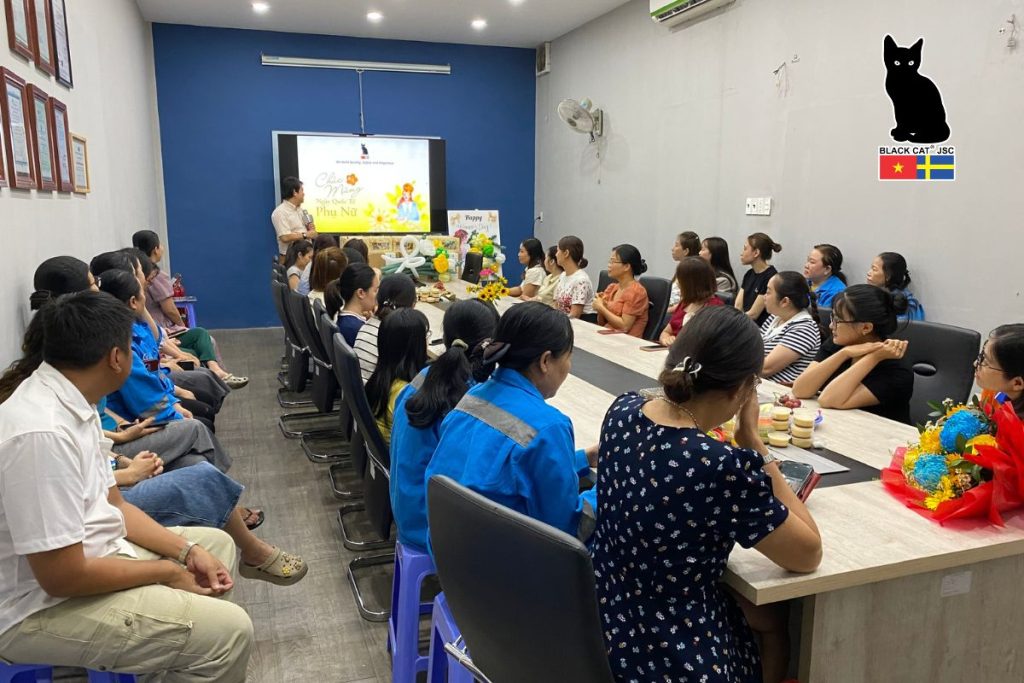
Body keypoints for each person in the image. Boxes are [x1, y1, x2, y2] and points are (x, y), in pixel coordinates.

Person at [0, 291, 253, 680]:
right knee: (230, 633)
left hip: (90, 557)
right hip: (36, 608)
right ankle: (186, 644)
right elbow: (63, 577)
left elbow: (114, 505)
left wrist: (186, 553)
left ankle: (167, 654)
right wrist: (166, 573)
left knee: (213, 546)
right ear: (116, 358)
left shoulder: (75, 402)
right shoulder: (41, 434)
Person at [591, 305, 822, 683]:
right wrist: (755, 446)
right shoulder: (721, 466)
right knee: (775, 619)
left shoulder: (623, 409)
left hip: (610, 616)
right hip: (675, 649)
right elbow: (808, 553)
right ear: (742, 389)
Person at [425, 302, 599, 545]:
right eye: (569, 357)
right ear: (545, 361)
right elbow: (569, 531)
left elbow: (510, 470)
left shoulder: (472, 397)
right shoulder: (549, 427)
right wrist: (607, 488)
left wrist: (581, 458)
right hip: (513, 575)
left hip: (452, 559)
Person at [390, 299, 500, 551]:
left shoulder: (425, 377)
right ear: (489, 346)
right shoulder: (468, 398)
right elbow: (482, 475)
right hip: (429, 528)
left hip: (406, 508)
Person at [112, 458, 307, 586]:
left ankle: (226, 510)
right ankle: (252, 549)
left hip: (111, 481)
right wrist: (129, 474)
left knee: (198, 439)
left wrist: (121, 456)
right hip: (105, 499)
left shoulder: (86, 407)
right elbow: (103, 495)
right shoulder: (82, 406)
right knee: (203, 477)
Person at [98, 269, 218, 431]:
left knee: (203, 402)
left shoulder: (139, 329)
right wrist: (176, 412)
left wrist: (174, 401)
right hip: (138, 420)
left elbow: (152, 370)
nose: (145, 282)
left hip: (150, 403)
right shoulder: (123, 344)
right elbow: (146, 399)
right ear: (133, 301)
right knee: (200, 423)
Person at [129, 237, 247, 389]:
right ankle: (213, 379)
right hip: (161, 351)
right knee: (195, 350)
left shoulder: (140, 303)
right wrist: (178, 334)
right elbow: (168, 313)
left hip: (163, 340)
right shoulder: (130, 320)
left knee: (199, 334)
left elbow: (156, 341)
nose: (147, 284)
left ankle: (216, 372)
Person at [792, 284, 913, 423]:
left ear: (866, 327)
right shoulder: (838, 343)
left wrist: (874, 357)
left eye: (838, 320)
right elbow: (800, 389)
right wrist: (844, 353)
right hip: (837, 426)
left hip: (877, 437)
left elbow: (828, 400)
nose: (831, 326)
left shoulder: (896, 370)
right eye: (832, 317)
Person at [366, 308, 430, 444]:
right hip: (395, 458)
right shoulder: (407, 394)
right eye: (425, 336)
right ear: (415, 346)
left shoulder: (381, 378)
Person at [760, 272, 823, 385]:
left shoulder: (804, 329)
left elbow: (765, 369)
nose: (764, 296)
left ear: (785, 301)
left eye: (768, 292)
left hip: (778, 392)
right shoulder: (775, 317)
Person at [354, 273, 417, 382]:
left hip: (360, 393)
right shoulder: (396, 336)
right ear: (412, 305)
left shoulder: (367, 325)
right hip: (378, 395)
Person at [658, 257, 723, 347]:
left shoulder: (714, 309)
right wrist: (666, 339)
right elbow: (666, 332)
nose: (677, 284)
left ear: (691, 284)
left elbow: (702, 344)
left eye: (680, 280)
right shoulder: (686, 302)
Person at [593, 244, 649, 337]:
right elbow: (601, 323)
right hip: (608, 335)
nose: (609, 265)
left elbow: (625, 326)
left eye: (613, 261)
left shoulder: (636, 291)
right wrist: (601, 306)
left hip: (626, 341)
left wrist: (601, 308)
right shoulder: (612, 287)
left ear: (626, 266)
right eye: (609, 261)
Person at [975, 325, 1024, 418]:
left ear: (1017, 383)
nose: (975, 364)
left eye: (986, 362)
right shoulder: (993, 393)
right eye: (982, 356)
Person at [735, 232, 781, 327]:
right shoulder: (749, 274)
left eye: (745, 249)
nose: (741, 253)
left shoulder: (771, 277)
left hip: (759, 328)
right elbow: (738, 305)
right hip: (743, 322)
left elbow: (754, 314)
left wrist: (735, 323)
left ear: (756, 253)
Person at [866, 252, 925, 321]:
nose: (868, 273)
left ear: (888, 276)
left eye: (874, 269)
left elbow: (903, 328)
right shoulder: (875, 294)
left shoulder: (906, 305)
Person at [335, 262, 380, 347]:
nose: (378, 294)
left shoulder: (342, 315)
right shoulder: (358, 330)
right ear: (361, 293)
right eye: (375, 290)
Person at [272, 176, 315, 260]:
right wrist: (306, 234)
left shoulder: (301, 210)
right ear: (295, 192)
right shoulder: (280, 212)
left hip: (307, 255)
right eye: (302, 190)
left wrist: (310, 229)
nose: (304, 193)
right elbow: (284, 237)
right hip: (291, 258)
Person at [552, 235, 594, 319]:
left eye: (558, 251)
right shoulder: (563, 275)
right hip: (562, 322)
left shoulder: (581, 280)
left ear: (566, 253)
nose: (556, 255)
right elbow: (556, 305)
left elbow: (574, 315)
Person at [668, 230, 700, 310]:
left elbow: (687, 303)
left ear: (686, 251)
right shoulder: (682, 268)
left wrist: (665, 310)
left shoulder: (692, 271)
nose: (672, 249)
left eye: (676, 245)